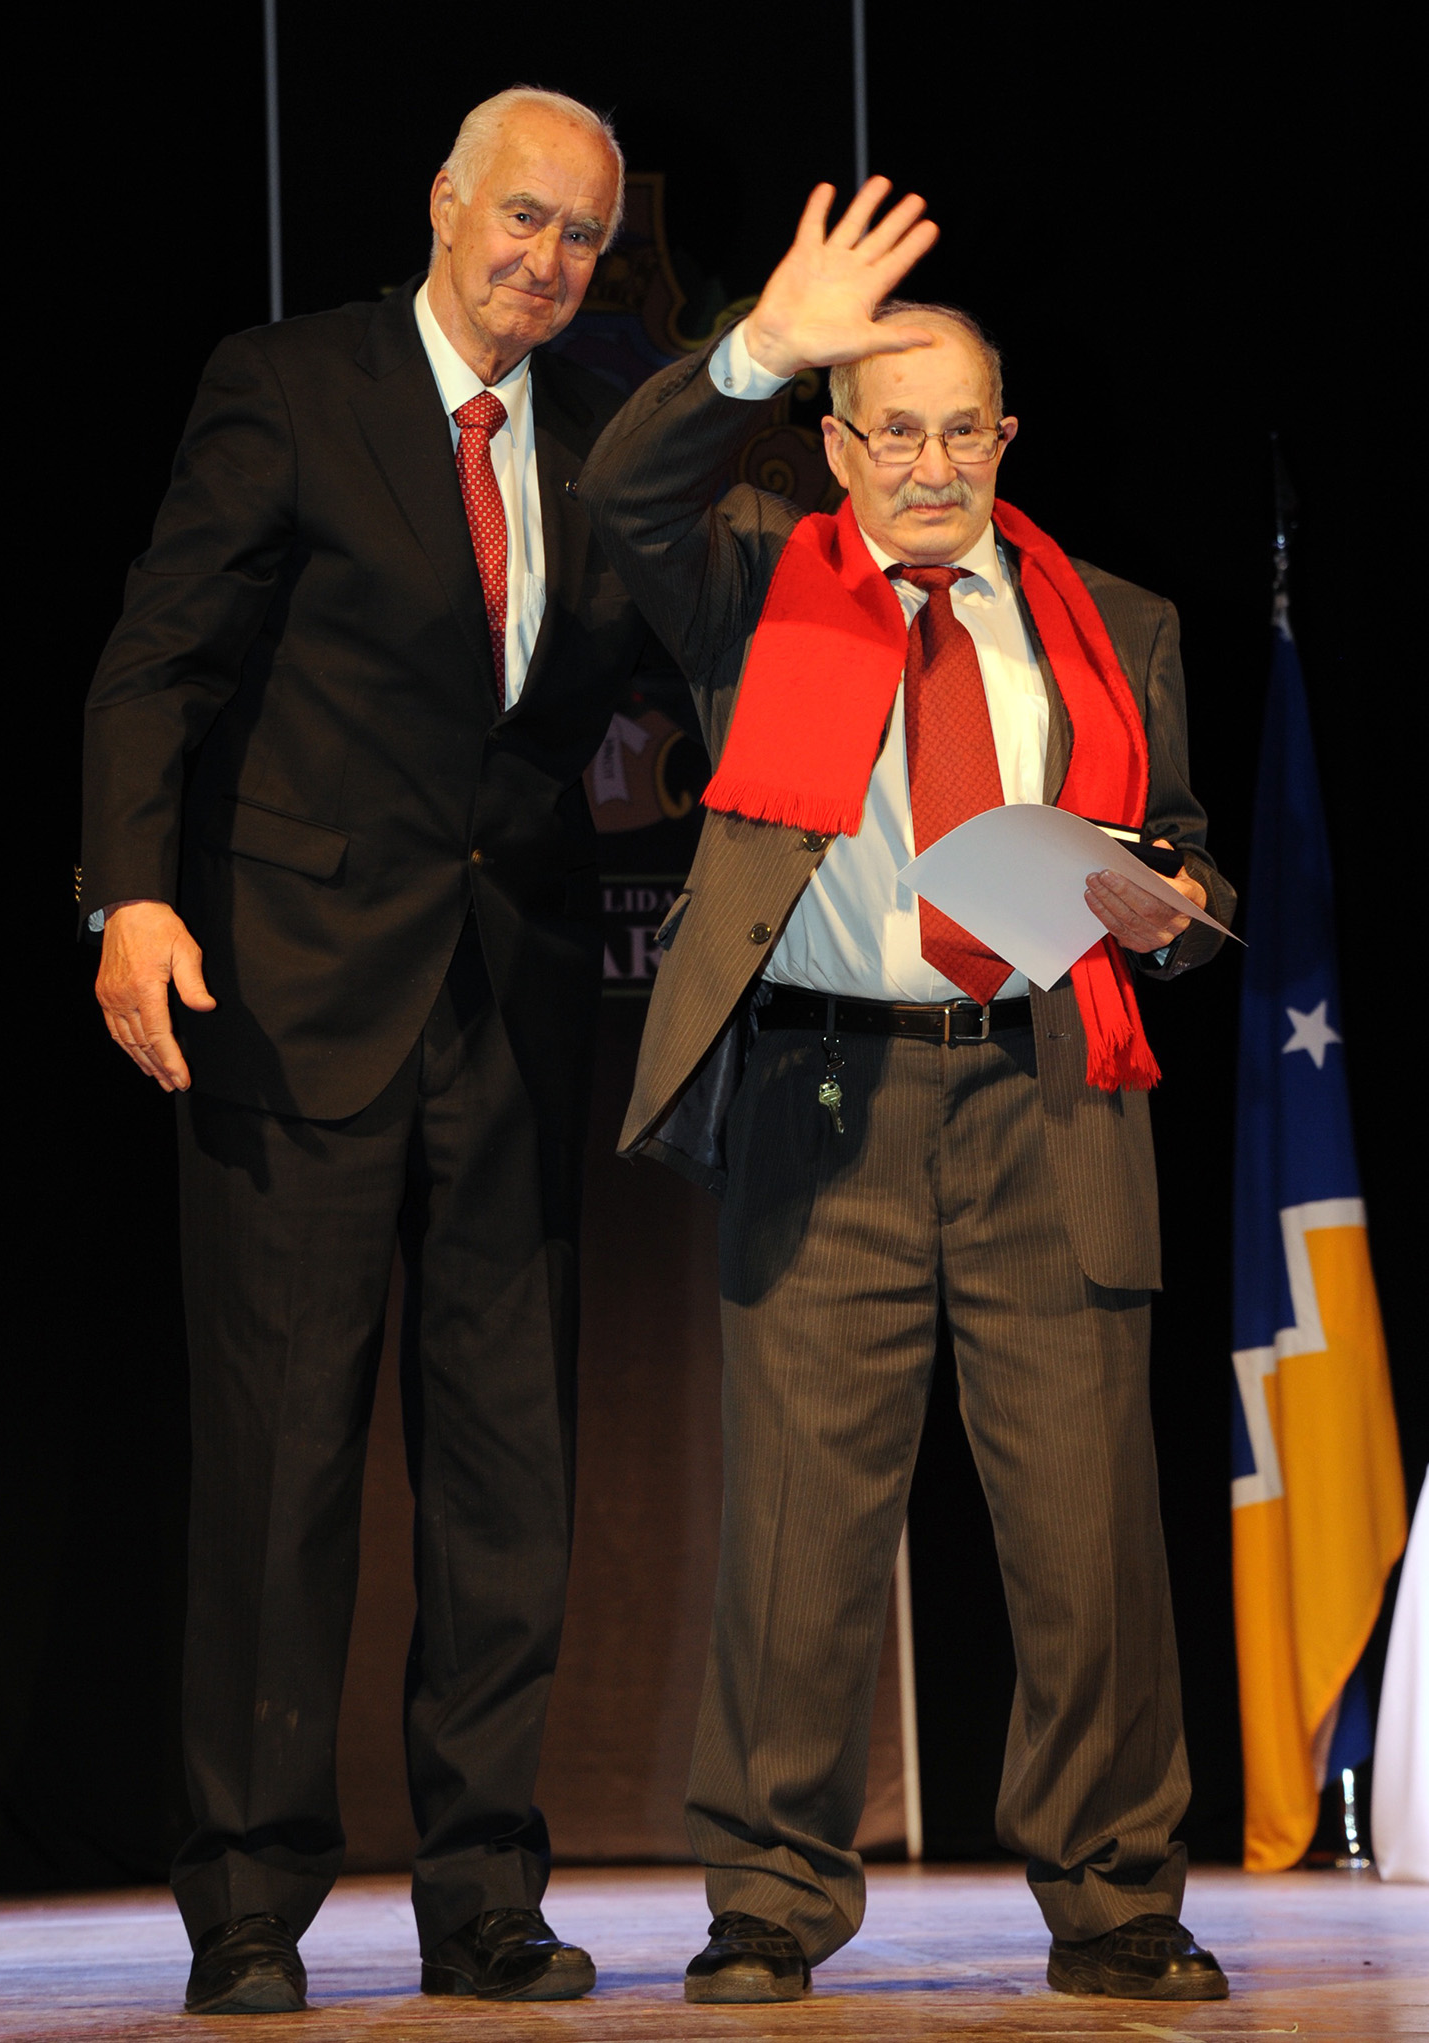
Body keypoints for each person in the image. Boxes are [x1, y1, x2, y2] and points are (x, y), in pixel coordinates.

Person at [579, 179, 1236, 2004]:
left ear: (1005, 440)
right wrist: (758, 346)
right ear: (839, 446)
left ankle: (1118, 1900)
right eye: (894, 432)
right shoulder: (750, 584)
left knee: (1088, 1539)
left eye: (962, 432)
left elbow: (1184, 852)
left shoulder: (1119, 620)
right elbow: (622, 491)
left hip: (1051, 1093)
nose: (931, 466)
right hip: (826, 1100)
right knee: (797, 1540)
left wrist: (1171, 904)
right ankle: (770, 1903)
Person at [81, 87, 652, 2014]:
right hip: (291, 995)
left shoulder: (600, 430)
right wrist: (128, 893)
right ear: (443, 204)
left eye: (583, 235)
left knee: (506, 1473)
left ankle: (484, 1893)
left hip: (513, 1008)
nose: (548, 260)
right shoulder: (291, 383)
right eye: (524, 217)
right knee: (280, 1470)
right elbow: (159, 652)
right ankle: (248, 1902)